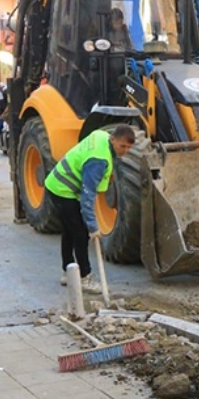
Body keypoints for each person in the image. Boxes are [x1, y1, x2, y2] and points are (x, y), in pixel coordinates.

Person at [45, 125, 136, 292]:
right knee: (80, 233)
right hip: (63, 189)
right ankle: (85, 277)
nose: (125, 151)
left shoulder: (101, 135)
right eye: (122, 146)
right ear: (113, 139)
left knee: (69, 230)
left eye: (129, 147)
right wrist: (93, 226)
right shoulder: (98, 161)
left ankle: (68, 272)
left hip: (56, 180)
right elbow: (87, 197)